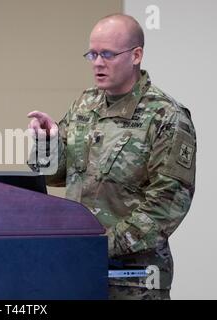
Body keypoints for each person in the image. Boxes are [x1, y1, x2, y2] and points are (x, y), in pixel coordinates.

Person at [28, 14, 196, 300]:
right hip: (78, 269)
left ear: (136, 55)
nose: (97, 63)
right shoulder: (85, 104)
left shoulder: (167, 117)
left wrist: (100, 245)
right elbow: (54, 175)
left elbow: (165, 208)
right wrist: (48, 141)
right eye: (92, 54)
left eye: (107, 54)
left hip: (133, 282)